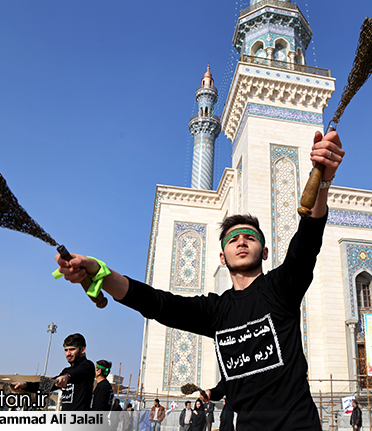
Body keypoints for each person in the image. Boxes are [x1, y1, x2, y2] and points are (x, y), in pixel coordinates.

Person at [55, 130, 344, 430]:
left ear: (265, 251)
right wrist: (101, 273)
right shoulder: (217, 311)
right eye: (233, 239)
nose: (241, 242)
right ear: (222, 257)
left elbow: (307, 241)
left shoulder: (281, 290)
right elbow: (158, 304)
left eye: (250, 238)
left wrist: (322, 180)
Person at [13, 333, 95, 411]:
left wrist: (67, 377)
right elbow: (46, 386)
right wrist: (25, 385)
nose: (68, 353)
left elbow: (79, 372)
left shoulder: (88, 366)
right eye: (66, 350)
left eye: (72, 350)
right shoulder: (66, 371)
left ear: (83, 350)